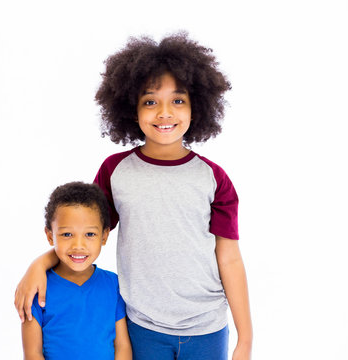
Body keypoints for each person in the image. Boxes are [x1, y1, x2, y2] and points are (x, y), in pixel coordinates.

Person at [15, 32, 253, 360]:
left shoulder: (214, 178)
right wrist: (39, 264)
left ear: (197, 106)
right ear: (131, 108)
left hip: (207, 327)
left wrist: (245, 338)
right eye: (150, 101)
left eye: (178, 100)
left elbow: (229, 258)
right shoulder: (115, 171)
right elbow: (87, 233)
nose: (164, 113)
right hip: (143, 326)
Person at [21, 182, 132, 360]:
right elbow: (33, 353)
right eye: (67, 234)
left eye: (89, 234)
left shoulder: (113, 284)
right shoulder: (38, 289)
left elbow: (122, 347)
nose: (78, 246)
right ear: (50, 236)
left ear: (104, 236)